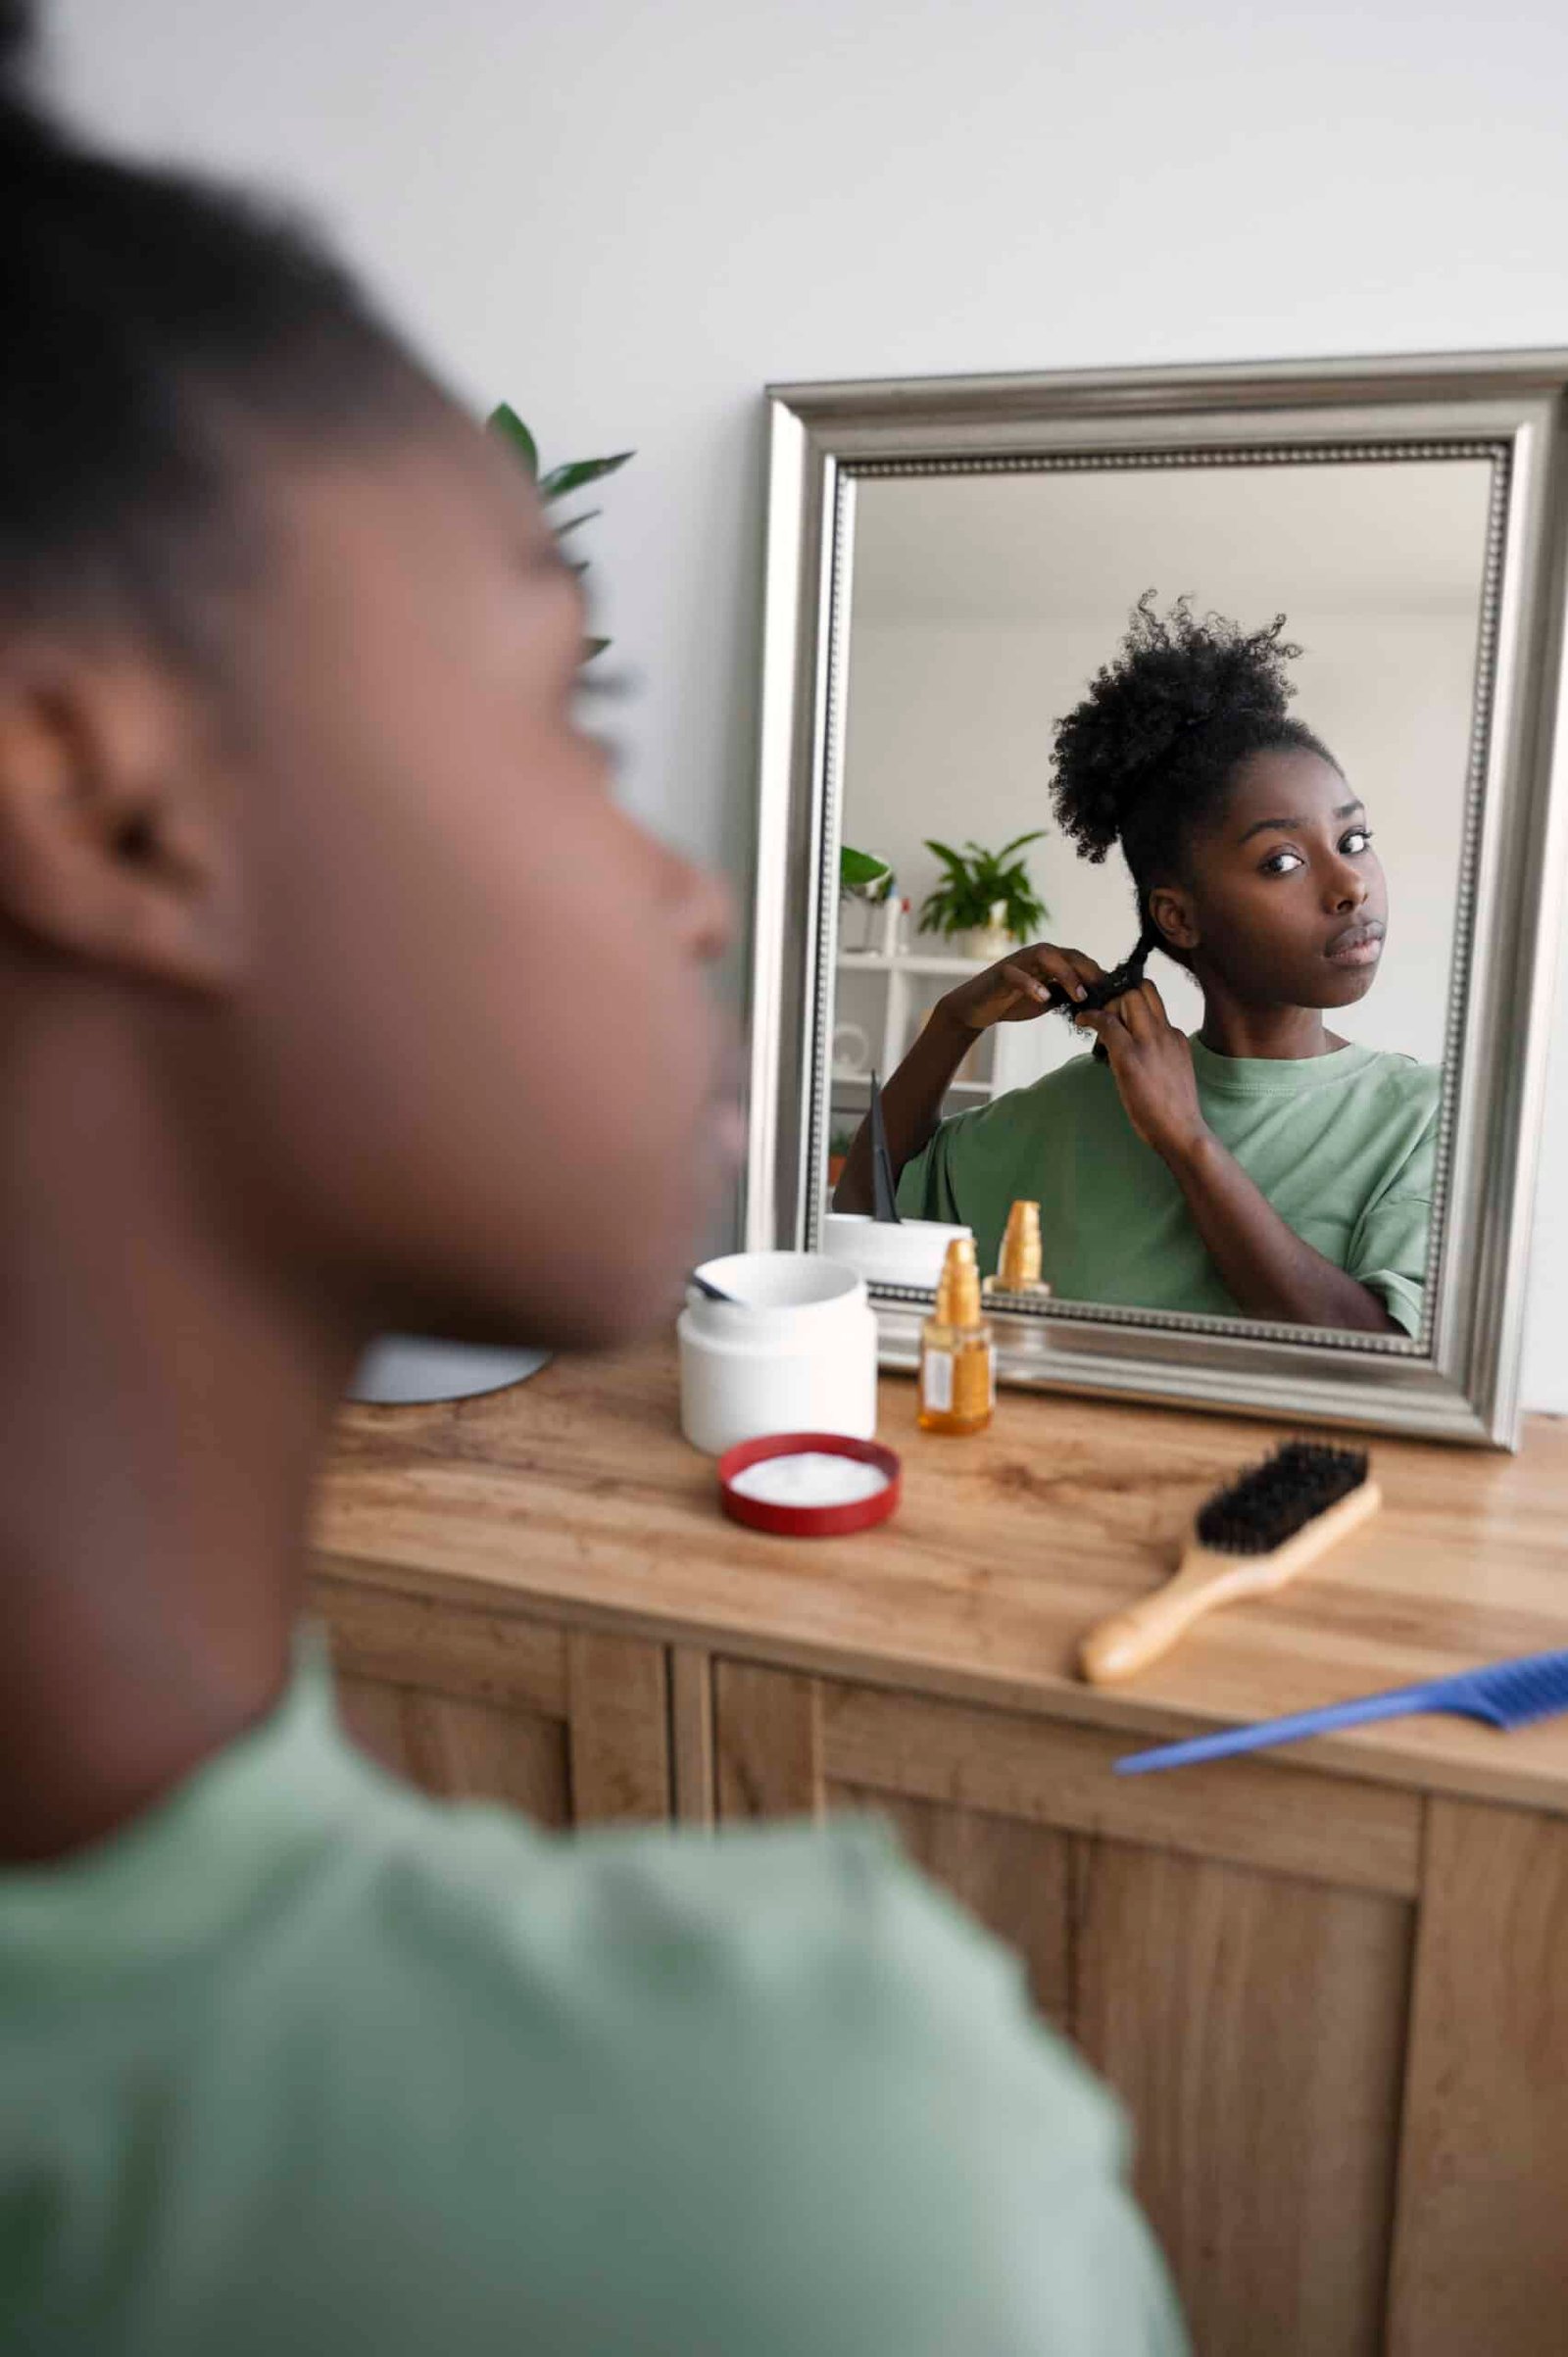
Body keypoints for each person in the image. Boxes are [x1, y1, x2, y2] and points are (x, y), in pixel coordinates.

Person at [0, 10, 1185, 2352]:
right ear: (102, 798)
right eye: (569, 712)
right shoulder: (810, 2171)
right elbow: (879, 1160)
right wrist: (955, 1025)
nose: (696, 895)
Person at [836, 596, 1438, 1336]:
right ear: (1177, 916)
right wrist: (953, 1023)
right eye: (1283, 860)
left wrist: (1187, 1141)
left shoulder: (1416, 1116)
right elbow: (864, 1222)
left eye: (1353, 839)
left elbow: (1383, 1358)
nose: (1351, 885)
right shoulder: (1076, 1108)